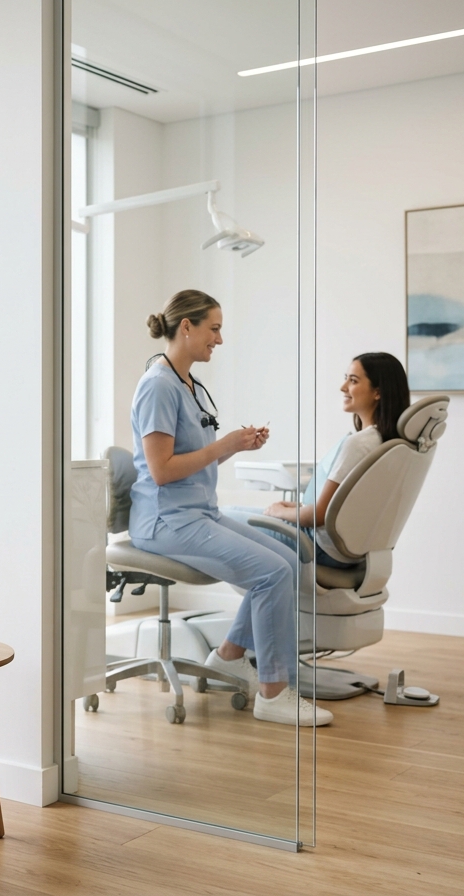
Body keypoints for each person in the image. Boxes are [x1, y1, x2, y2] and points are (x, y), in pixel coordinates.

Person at [129, 289, 332, 727]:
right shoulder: (158, 386)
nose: (218, 339)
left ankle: (228, 655)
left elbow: (192, 458)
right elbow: (162, 471)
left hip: (198, 510)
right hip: (165, 520)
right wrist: (222, 444)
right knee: (272, 572)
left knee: (288, 559)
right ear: (187, 327)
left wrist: (235, 447)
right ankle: (274, 693)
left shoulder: (187, 384)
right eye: (214, 329)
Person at [240, 352, 411, 568]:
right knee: (231, 515)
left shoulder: (359, 444)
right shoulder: (386, 443)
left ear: (377, 392)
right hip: (348, 552)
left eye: (353, 380)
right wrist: (295, 508)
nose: (343, 387)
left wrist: (279, 511)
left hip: (317, 546)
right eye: (346, 378)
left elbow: (320, 515)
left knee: (221, 518)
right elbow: (342, 508)